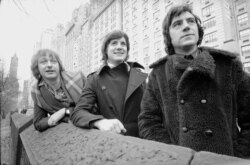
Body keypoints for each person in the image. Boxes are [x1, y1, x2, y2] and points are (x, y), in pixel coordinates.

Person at [138, 4, 250, 158]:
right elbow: (148, 121)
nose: (186, 27)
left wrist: (239, 156)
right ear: (168, 36)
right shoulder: (158, 74)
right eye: (177, 24)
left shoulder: (228, 65)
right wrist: (174, 155)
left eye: (190, 21)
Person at [70, 30, 147, 137]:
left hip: (142, 142)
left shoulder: (139, 75)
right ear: (105, 50)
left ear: (127, 50)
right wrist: (100, 122)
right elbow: (78, 113)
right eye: (114, 43)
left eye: (123, 44)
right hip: (112, 140)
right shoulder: (94, 79)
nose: (119, 47)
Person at [31, 49, 86, 132]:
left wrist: (64, 112)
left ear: (59, 66)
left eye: (53, 61)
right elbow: (38, 123)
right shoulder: (37, 91)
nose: (49, 65)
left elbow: (92, 106)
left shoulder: (79, 78)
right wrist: (52, 119)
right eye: (43, 62)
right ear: (37, 68)